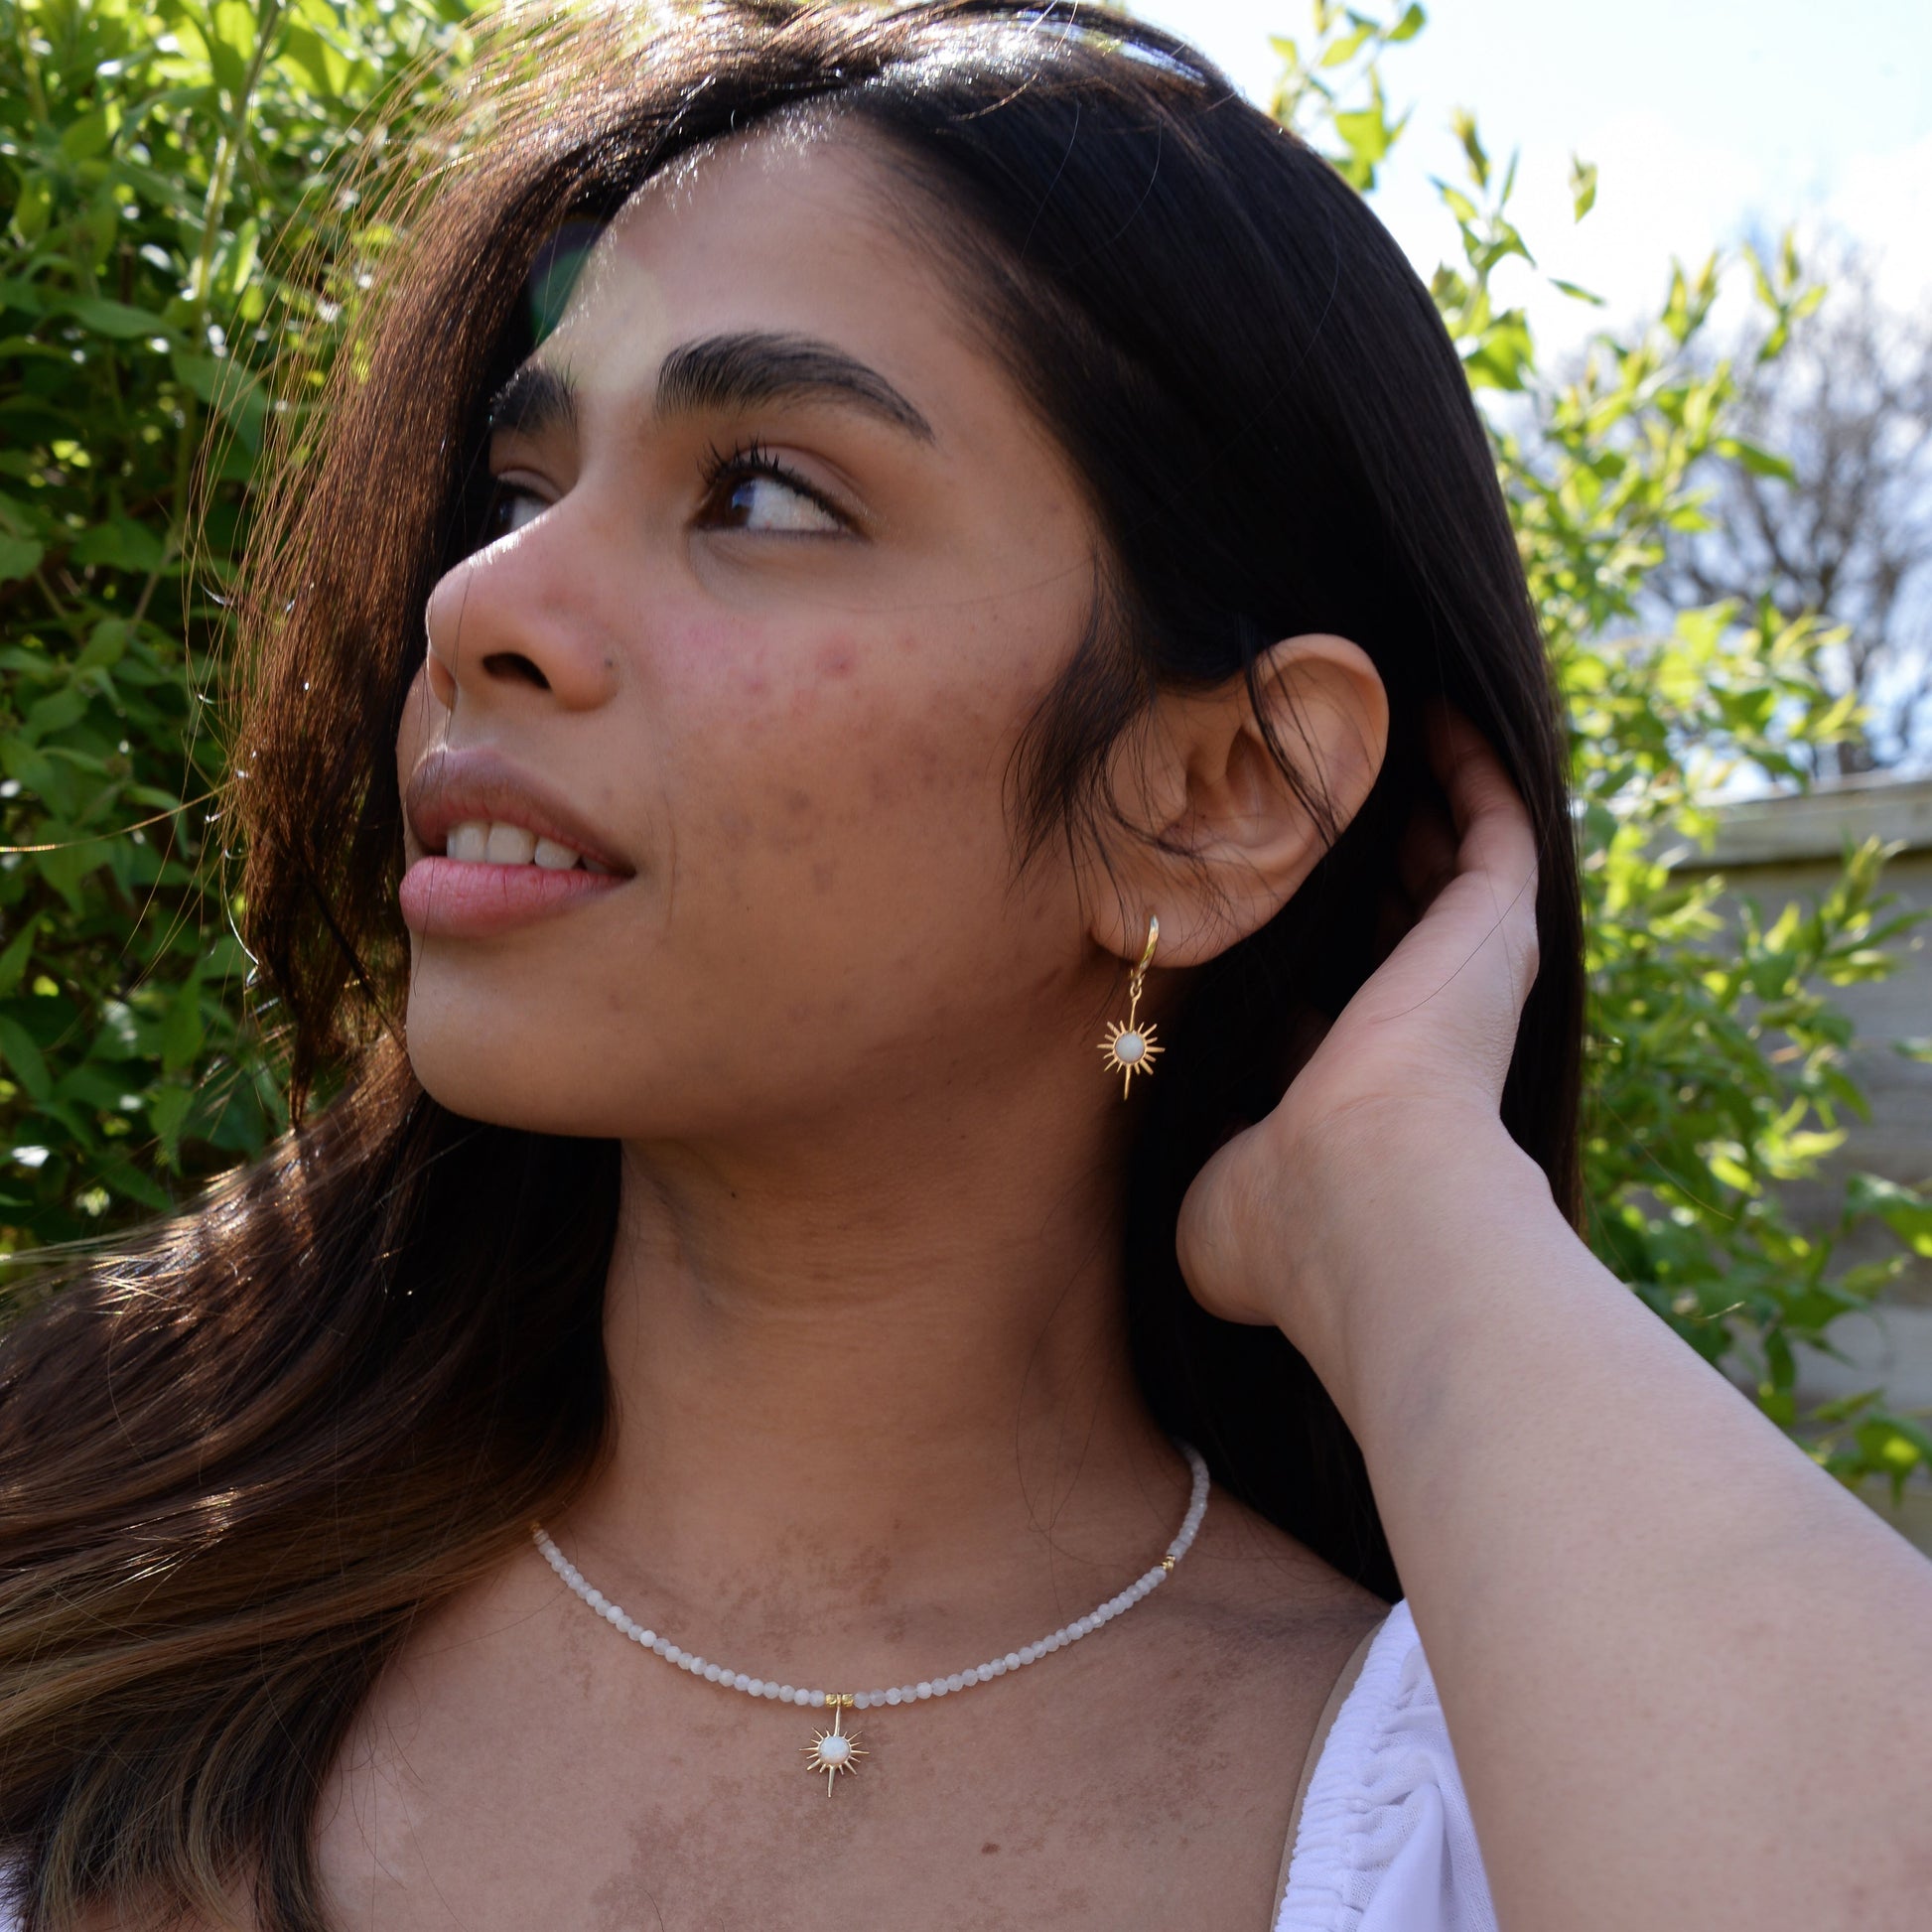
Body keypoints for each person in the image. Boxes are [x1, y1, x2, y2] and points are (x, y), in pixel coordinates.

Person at [3, 3, 1929, 1928]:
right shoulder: (72, 1598)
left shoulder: (1475, 1816)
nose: (478, 600)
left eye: (760, 492)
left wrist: (1396, 1198)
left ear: (1212, 792)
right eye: (523, 490)